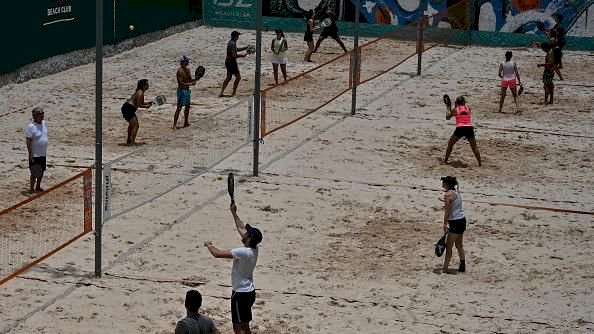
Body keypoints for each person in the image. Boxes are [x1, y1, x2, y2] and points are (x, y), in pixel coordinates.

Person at [204, 202, 263, 334]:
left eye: (247, 233)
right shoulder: (254, 248)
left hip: (240, 294)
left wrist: (209, 245)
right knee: (245, 325)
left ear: (249, 238)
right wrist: (234, 213)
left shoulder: (243, 252)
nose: (245, 232)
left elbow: (217, 254)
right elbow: (241, 228)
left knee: (238, 327)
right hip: (250, 292)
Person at [443, 96, 482, 167]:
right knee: (474, 147)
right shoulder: (468, 108)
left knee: (450, 144)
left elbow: (447, 117)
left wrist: (448, 108)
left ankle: (445, 160)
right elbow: (462, 111)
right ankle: (480, 163)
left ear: (456, 103)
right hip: (469, 128)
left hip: (460, 128)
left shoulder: (455, 109)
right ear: (464, 102)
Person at [440, 176, 466, 274]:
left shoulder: (447, 195)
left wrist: (445, 223)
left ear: (447, 184)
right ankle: (462, 264)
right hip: (462, 220)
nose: (442, 184)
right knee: (459, 245)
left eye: (444, 183)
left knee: (449, 246)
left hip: (455, 221)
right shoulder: (457, 192)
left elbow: (447, 211)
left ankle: (445, 269)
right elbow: (455, 205)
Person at [121, 79, 152, 145]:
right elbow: (139, 105)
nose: (148, 85)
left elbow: (141, 102)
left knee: (132, 125)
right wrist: (146, 107)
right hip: (129, 109)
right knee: (136, 126)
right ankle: (132, 142)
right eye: (147, 84)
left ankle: (129, 141)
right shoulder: (140, 93)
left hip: (127, 108)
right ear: (143, 86)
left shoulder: (140, 92)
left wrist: (148, 103)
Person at [25, 107, 49, 193]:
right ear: (34, 116)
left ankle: (38, 186)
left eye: (42, 113)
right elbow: (28, 141)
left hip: (43, 153)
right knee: (34, 172)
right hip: (35, 153)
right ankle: (31, 188)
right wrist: (30, 154)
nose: (42, 115)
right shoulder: (31, 126)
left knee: (41, 171)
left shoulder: (44, 123)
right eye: (39, 114)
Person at [220, 31, 249, 97]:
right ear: (235, 37)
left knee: (228, 77)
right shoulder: (232, 43)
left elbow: (236, 49)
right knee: (238, 77)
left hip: (227, 61)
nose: (238, 37)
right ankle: (233, 93)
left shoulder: (231, 42)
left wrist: (245, 47)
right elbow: (234, 55)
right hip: (231, 62)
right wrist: (242, 56)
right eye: (237, 36)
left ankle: (221, 92)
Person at [173, 55, 197, 129]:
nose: (188, 62)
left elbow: (189, 79)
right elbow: (181, 83)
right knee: (179, 107)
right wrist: (191, 84)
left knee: (187, 107)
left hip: (187, 90)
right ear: (183, 62)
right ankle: (174, 125)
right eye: (187, 61)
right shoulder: (180, 71)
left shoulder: (188, 70)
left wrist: (196, 79)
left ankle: (186, 122)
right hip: (181, 91)